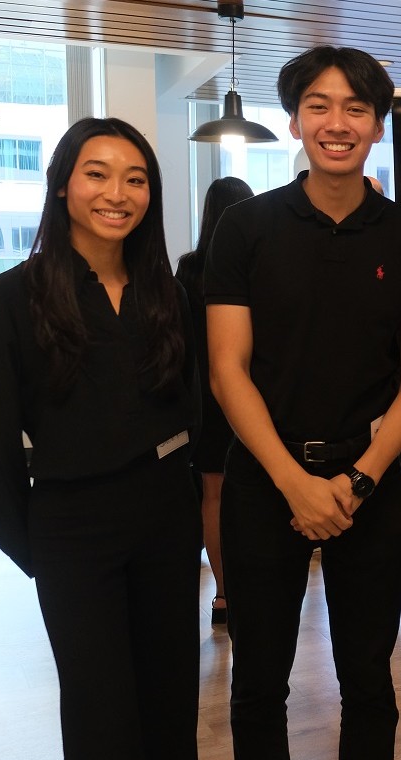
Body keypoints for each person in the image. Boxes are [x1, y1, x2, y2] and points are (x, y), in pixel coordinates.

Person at [205, 45, 401, 760]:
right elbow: (227, 372)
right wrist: (293, 484)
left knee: (370, 681)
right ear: (294, 121)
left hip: (369, 483)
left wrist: (360, 478)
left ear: (376, 127)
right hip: (264, 482)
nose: (336, 123)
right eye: (319, 106)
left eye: (355, 110)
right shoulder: (245, 229)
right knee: (259, 683)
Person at [0, 117, 202, 760]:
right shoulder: (15, 295)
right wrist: (31, 544)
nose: (117, 193)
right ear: (63, 185)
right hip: (70, 521)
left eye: (135, 179)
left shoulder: (168, 293)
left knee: (168, 700)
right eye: (97, 174)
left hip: (164, 516)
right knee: (100, 712)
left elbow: (191, 414)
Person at [177, 175, 253, 626]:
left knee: (213, 494)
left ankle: (223, 593)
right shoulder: (255, 261)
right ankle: (251, 587)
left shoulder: (187, 269)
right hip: (251, 393)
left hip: (202, 397)